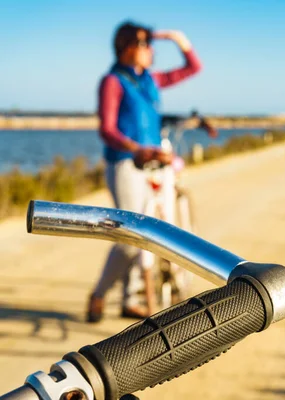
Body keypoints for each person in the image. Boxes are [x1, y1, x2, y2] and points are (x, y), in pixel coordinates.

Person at [87, 21, 203, 323]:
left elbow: (192, 68)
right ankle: (99, 293)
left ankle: (130, 298)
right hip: (125, 163)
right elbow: (107, 129)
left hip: (154, 162)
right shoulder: (112, 82)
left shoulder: (149, 80)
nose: (151, 50)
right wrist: (135, 147)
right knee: (130, 234)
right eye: (144, 44)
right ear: (126, 47)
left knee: (152, 231)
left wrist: (178, 38)